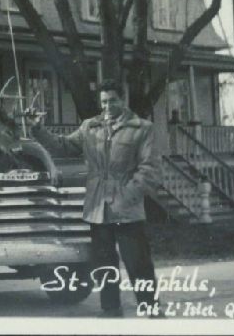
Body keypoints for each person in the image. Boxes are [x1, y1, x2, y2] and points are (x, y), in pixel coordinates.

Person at [29, 79, 162, 318]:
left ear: (123, 99)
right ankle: (110, 309)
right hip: (97, 208)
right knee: (103, 264)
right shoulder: (89, 127)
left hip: (127, 209)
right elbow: (63, 146)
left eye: (112, 100)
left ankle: (151, 310)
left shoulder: (142, 128)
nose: (108, 106)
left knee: (138, 264)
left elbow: (149, 171)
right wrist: (38, 130)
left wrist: (124, 198)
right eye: (104, 102)